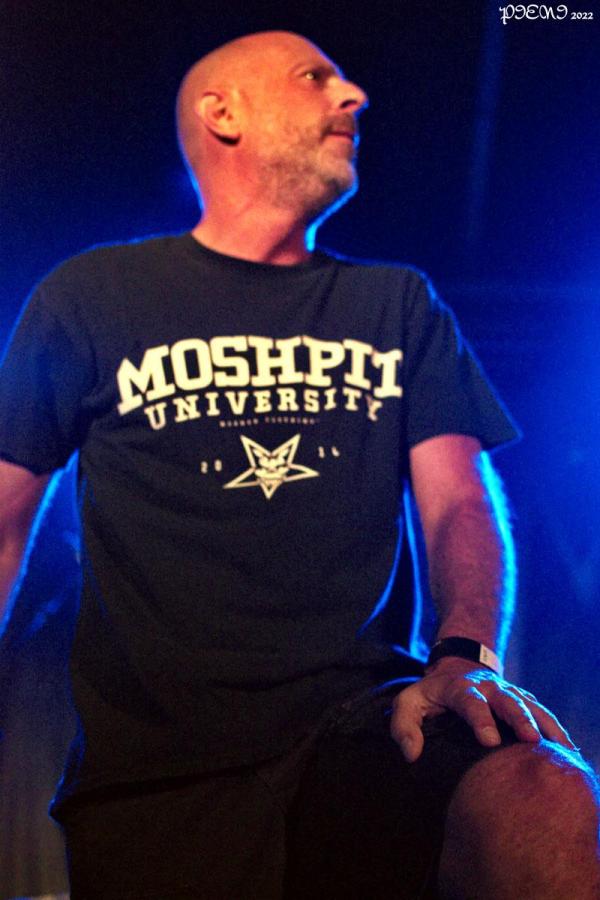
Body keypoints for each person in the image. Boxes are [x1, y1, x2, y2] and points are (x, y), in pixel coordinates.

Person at [0, 29, 598, 900]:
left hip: (365, 728)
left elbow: (457, 503)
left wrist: (465, 654)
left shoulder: (394, 302)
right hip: (155, 770)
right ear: (223, 113)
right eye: (315, 78)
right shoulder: (90, 296)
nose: (354, 96)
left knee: (545, 793)